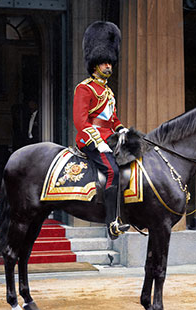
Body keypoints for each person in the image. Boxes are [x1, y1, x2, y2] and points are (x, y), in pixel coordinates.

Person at [73, 21, 131, 240]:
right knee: (112, 171)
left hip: (109, 138)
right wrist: (98, 141)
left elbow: (112, 120)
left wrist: (122, 129)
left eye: (110, 63)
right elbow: (80, 122)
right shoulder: (84, 88)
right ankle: (111, 222)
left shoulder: (108, 92)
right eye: (104, 63)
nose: (108, 66)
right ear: (95, 64)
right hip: (90, 140)